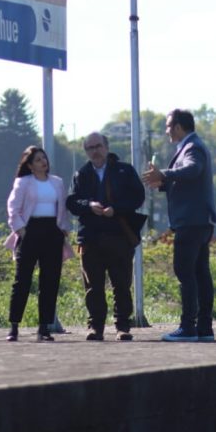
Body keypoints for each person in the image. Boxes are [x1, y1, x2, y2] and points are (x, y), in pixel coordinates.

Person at [142, 109, 216, 342]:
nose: (166, 130)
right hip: (200, 220)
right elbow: (190, 181)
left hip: (191, 221)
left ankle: (188, 327)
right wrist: (163, 184)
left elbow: (193, 169)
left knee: (185, 272)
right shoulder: (193, 145)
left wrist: (163, 174)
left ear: (177, 127)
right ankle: (204, 328)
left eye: (168, 126)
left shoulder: (192, 147)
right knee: (200, 274)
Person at [67, 133, 145, 341]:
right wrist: (89, 206)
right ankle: (96, 327)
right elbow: (72, 202)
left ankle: (122, 326)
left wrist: (116, 209)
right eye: (90, 148)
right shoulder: (81, 174)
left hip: (118, 235)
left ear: (107, 147)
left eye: (98, 146)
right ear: (86, 151)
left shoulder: (124, 170)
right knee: (93, 286)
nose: (95, 151)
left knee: (122, 283)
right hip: (90, 238)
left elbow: (138, 197)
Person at [4, 146, 73, 341]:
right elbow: (13, 208)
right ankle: (14, 326)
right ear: (30, 165)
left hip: (52, 231)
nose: (43, 162)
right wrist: (21, 230)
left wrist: (63, 229)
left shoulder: (57, 182)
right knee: (22, 280)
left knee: (50, 281)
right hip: (31, 230)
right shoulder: (23, 182)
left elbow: (62, 208)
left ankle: (44, 327)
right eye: (38, 160)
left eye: (44, 158)